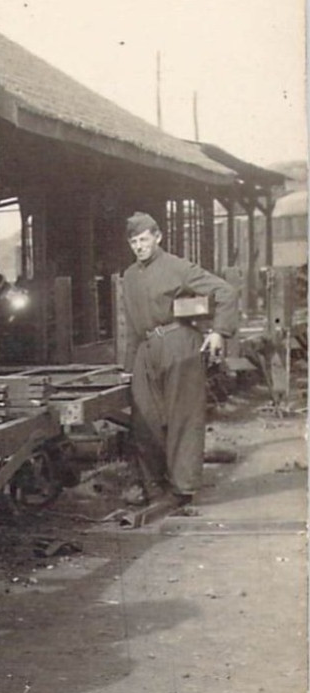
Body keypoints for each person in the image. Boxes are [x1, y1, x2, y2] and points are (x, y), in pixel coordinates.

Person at [120, 211, 239, 506]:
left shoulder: (177, 267)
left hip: (179, 344)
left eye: (144, 239)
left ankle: (183, 487)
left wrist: (219, 332)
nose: (139, 246)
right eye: (134, 241)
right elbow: (132, 324)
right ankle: (153, 485)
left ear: (157, 237)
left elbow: (225, 292)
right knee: (144, 419)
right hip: (147, 350)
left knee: (182, 416)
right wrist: (127, 367)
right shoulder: (130, 276)